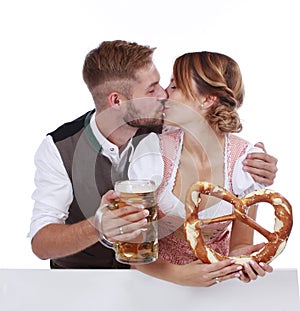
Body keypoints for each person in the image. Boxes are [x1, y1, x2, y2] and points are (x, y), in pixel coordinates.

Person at [30, 40, 277, 277]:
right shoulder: (59, 148)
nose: (163, 94)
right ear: (117, 100)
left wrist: (258, 165)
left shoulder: (169, 126)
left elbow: (212, 134)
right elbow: (41, 243)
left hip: (160, 282)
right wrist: (98, 225)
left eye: (166, 84)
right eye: (152, 89)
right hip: (80, 279)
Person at [100, 51, 275, 286]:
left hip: (216, 292)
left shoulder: (245, 163)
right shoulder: (153, 153)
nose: (164, 94)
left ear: (206, 100)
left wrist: (243, 261)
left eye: (175, 85)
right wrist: (179, 276)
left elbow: (240, 244)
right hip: (152, 289)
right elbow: (135, 252)